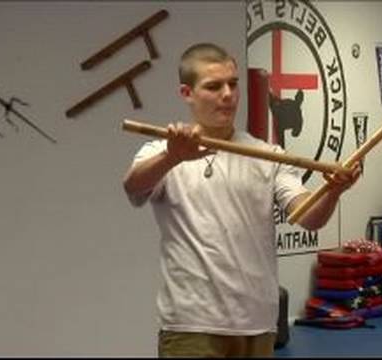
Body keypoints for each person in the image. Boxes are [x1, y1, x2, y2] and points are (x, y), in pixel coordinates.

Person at [122, 43, 361, 357]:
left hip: (258, 324)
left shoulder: (268, 155)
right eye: (213, 86)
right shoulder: (160, 150)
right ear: (186, 93)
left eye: (233, 84)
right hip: (192, 325)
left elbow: (308, 216)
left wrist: (332, 191)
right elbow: (133, 187)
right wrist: (172, 157)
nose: (227, 94)